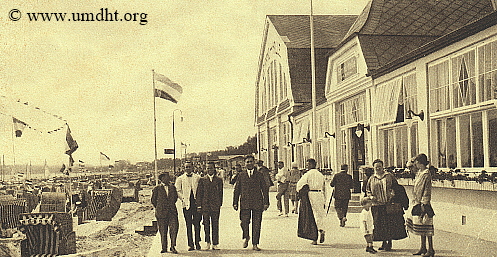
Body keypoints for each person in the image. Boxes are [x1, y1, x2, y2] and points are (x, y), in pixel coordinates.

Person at [233, 155, 269, 251]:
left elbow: (265, 189)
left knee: (256, 223)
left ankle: (255, 244)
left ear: (254, 162)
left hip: (257, 203)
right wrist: (235, 202)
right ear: (244, 164)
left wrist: (266, 202)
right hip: (245, 203)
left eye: (251, 161)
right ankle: (246, 236)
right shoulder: (241, 175)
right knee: (244, 222)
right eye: (247, 162)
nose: (249, 163)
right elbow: (237, 190)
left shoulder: (259, 175)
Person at [366, 159, 403, 251]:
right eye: (376, 166)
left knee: (389, 224)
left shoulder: (389, 176)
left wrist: (393, 194)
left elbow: (396, 187)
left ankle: (389, 242)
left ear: (383, 167)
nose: (378, 168)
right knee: (379, 225)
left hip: (388, 204)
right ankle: (383, 242)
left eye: (379, 166)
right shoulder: (372, 178)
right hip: (376, 205)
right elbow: (367, 190)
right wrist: (370, 197)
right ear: (373, 168)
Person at [407, 154, 435, 257]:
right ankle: (423, 247)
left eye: (417, 162)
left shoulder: (426, 174)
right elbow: (409, 165)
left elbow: (427, 190)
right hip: (417, 202)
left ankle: (431, 249)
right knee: (420, 225)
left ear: (421, 162)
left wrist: (424, 203)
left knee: (427, 225)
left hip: (424, 203)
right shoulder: (419, 172)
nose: (415, 164)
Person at [296, 158, 326, 245]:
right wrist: (325, 199)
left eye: (308, 164)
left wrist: (300, 191)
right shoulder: (320, 175)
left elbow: (299, 185)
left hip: (311, 195)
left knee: (311, 215)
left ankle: (314, 238)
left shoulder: (307, 174)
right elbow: (324, 188)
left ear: (313, 165)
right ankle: (321, 229)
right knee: (320, 214)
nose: (307, 166)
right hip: (320, 194)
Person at [175, 161, 202, 251]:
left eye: (189, 167)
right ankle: (190, 244)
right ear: (184, 168)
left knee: (197, 224)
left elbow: (200, 190)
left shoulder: (198, 177)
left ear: (192, 167)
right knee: (188, 224)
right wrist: (183, 198)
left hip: (196, 203)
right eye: (186, 167)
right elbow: (178, 190)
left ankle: (197, 242)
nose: (188, 169)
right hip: (186, 204)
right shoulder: (180, 178)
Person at [196, 162, 223, 250]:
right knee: (206, 225)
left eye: (211, 168)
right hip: (205, 207)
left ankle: (215, 243)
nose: (209, 170)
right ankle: (208, 242)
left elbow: (220, 193)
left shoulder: (219, 180)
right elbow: (199, 194)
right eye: (207, 168)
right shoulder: (202, 180)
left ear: (214, 169)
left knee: (215, 224)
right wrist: (199, 205)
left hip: (215, 206)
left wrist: (219, 204)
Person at [151, 173, 179, 254]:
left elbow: (175, 198)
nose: (169, 178)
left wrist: (170, 205)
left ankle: (173, 246)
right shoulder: (157, 188)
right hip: (161, 213)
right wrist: (160, 207)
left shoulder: (173, 187)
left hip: (172, 212)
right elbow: (153, 200)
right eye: (167, 177)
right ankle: (164, 247)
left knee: (174, 229)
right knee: (163, 231)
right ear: (162, 178)